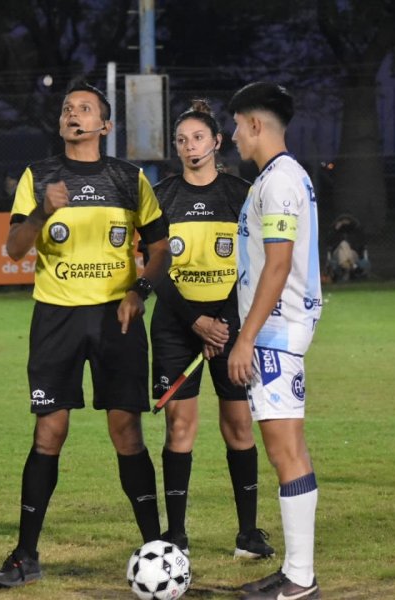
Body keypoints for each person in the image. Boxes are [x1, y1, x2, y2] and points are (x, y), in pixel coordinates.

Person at [0, 81, 171, 589]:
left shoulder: (129, 178)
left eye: (85, 109)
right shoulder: (38, 175)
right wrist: (45, 212)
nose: (73, 114)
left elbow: (161, 248)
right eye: (68, 108)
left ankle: (156, 548)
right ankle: (25, 555)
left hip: (118, 318)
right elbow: (15, 249)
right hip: (56, 319)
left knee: (126, 432)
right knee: (49, 432)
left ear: (104, 126)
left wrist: (140, 290)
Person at [148, 99, 274, 560]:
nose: (189, 147)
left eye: (198, 137)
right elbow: (156, 269)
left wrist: (223, 321)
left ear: (217, 142)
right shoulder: (160, 197)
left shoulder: (242, 194)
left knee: (239, 424)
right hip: (176, 327)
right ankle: (176, 535)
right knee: (179, 428)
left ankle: (248, 534)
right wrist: (196, 321)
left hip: (231, 327)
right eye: (181, 140)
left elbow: (256, 265)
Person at [227, 82, 322, 600]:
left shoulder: (278, 182)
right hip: (279, 330)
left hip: (275, 333)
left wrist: (246, 339)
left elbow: (279, 263)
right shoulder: (280, 178)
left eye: (237, 124)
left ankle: (301, 579)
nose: (233, 134)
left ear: (256, 125)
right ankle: (296, 571)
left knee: (285, 451)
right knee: (291, 450)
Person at [324, 214, 369, 282]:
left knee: (344, 244)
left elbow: (361, 243)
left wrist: (349, 244)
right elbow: (328, 242)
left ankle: (346, 269)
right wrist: (335, 229)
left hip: (353, 253)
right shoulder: (335, 232)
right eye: (342, 221)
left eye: (347, 221)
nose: (344, 223)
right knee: (343, 244)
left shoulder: (355, 233)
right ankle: (353, 266)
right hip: (337, 254)